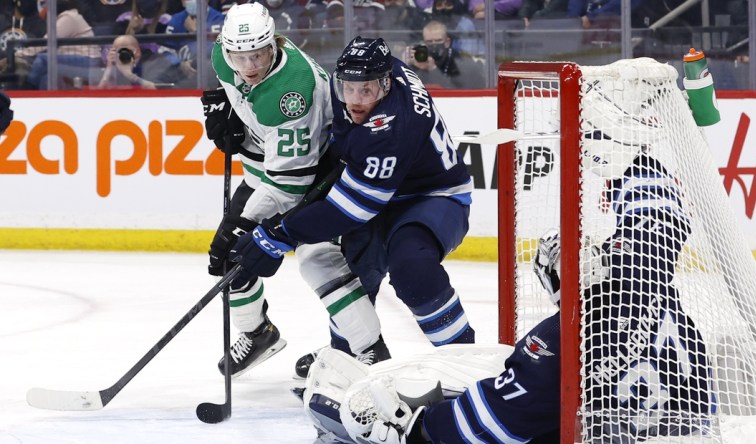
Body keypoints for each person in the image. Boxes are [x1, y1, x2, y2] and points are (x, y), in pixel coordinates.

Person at [301, 79, 715, 444]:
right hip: (700, 427)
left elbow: (485, 418)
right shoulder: (648, 276)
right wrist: (629, 154)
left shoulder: (555, 345)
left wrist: (414, 429)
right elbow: (663, 215)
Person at [230, 36, 478, 376]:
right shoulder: (354, 80)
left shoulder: (391, 128)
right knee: (351, 269)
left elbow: (349, 211)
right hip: (378, 186)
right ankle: (347, 355)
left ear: (387, 83)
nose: (355, 100)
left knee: (412, 266)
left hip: (432, 195)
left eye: (367, 91)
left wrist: (281, 235)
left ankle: (465, 363)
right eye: (349, 88)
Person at [200, 3, 388, 378]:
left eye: (258, 54)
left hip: (319, 175)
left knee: (317, 261)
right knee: (232, 261)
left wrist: (245, 222)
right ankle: (258, 334)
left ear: (275, 43)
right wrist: (226, 112)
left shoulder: (293, 95)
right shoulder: (224, 57)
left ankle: (371, 352)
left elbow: (289, 187)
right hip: (268, 171)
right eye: (240, 56)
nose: (250, 66)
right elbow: (237, 92)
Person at [404, 20, 485, 88]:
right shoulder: (419, 60)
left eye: (438, 41)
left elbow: (452, 93)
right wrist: (406, 65)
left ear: (447, 42)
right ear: (424, 43)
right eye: (429, 42)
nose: (434, 45)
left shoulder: (460, 64)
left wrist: (432, 69)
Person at [97, 34, 181, 88]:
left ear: (137, 51)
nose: (121, 54)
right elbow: (99, 94)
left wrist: (129, 75)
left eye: (124, 50)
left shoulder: (154, 62)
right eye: (116, 51)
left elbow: (156, 89)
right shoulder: (117, 66)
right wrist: (109, 68)